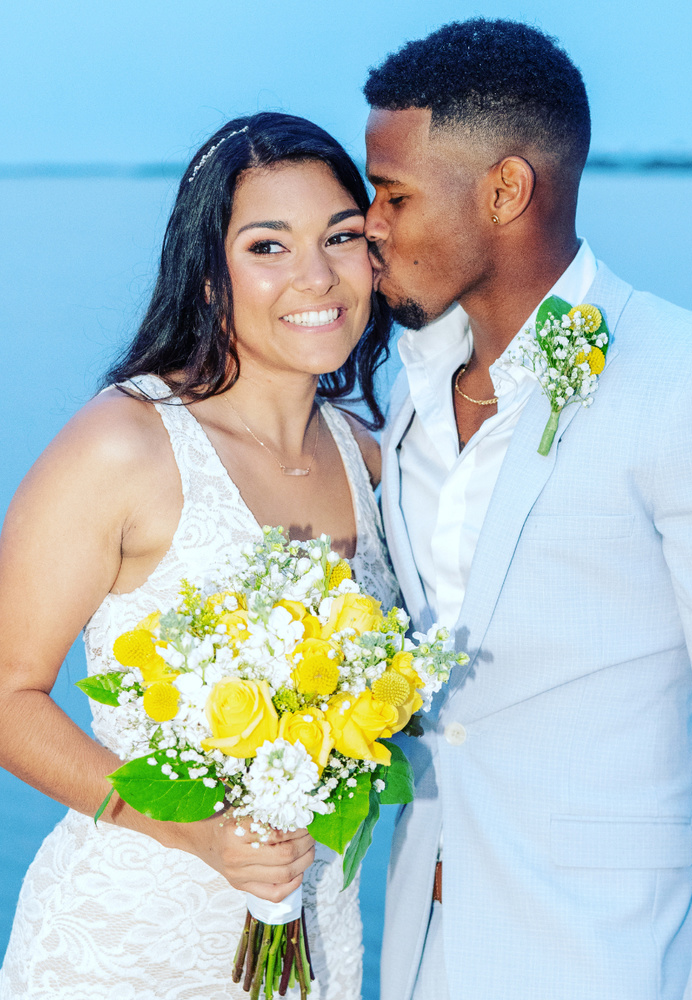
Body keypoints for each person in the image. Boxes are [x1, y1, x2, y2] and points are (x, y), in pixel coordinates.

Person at [362, 18, 692, 1000]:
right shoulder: (409, 385)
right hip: (422, 943)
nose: (370, 226)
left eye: (394, 195)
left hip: (605, 956)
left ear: (506, 191)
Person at [0, 111, 397, 999]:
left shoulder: (370, 457)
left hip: (314, 942)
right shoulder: (123, 446)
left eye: (342, 236)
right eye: (267, 246)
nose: (315, 275)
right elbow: (7, 697)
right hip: (126, 947)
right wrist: (194, 832)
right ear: (209, 273)